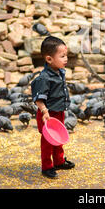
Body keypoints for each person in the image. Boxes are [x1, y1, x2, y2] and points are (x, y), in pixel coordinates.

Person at [31, 36, 75, 178]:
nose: (66, 59)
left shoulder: (59, 72)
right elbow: (38, 99)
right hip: (48, 115)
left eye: (66, 55)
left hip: (58, 111)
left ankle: (59, 161)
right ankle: (47, 166)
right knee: (48, 142)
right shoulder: (44, 78)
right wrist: (44, 111)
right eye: (62, 56)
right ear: (49, 59)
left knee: (59, 138)